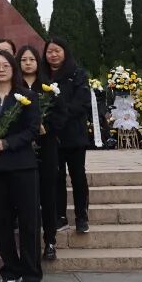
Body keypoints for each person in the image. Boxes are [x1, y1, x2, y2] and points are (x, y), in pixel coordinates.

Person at [0, 50, 42, 282]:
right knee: (1, 223)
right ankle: (11, 271)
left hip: (23, 167)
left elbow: (32, 130)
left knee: (29, 222)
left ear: (13, 68)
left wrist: (7, 143)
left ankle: (32, 275)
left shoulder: (27, 96)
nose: (1, 69)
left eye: (5, 65)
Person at [19, 45, 66, 261]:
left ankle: (50, 241)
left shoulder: (49, 87)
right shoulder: (14, 87)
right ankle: (29, 243)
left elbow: (61, 114)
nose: (28, 63)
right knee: (26, 199)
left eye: (31, 59)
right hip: (22, 149)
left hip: (46, 147)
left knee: (48, 196)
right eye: (24, 60)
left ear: (38, 63)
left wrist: (47, 127)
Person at [40, 36, 91, 234]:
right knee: (56, 177)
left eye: (57, 51)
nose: (53, 55)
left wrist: (60, 115)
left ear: (65, 52)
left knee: (78, 176)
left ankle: (81, 216)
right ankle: (60, 216)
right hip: (52, 135)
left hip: (74, 134)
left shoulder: (77, 74)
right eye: (49, 51)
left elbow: (82, 103)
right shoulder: (43, 75)